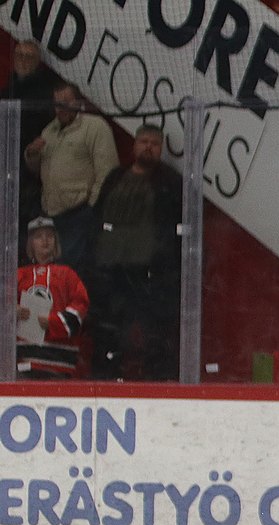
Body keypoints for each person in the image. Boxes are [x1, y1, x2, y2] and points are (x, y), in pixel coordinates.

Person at [92, 124, 183, 382]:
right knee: (109, 330)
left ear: (161, 149)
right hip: (112, 270)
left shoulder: (170, 182)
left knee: (155, 332)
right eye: (143, 141)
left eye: (154, 143)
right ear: (134, 145)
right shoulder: (115, 178)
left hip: (150, 274)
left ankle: (158, 382)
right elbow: (98, 218)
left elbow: (177, 228)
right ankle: (104, 379)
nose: (148, 147)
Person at [23, 82, 118, 269]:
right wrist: (32, 154)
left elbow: (108, 173)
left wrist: (91, 208)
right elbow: (38, 171)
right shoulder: (48, 131)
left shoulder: (95, 127)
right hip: (50, 215)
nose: (61, 108)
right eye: (57, 103)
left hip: (78, 215)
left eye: (66, 102)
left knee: (71, 270)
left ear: (78, 102)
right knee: (51, 270)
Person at [15, 215, 88, 378]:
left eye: (49, 236)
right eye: (38, 237)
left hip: (60, 363)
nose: (45, 241)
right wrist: (13, 311)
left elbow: (80, 306)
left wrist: (54, 322)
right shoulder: (19, 275)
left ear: (56, 241)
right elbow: (4, 303)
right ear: (30, 244)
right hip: (25, 362)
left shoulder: (68, 275)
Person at [4, 40, 59, 236]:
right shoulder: (6, 91)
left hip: (29, 174)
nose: (23, 60)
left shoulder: (45, 94)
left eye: (29, 56)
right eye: (19, 55)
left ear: (38, 62)